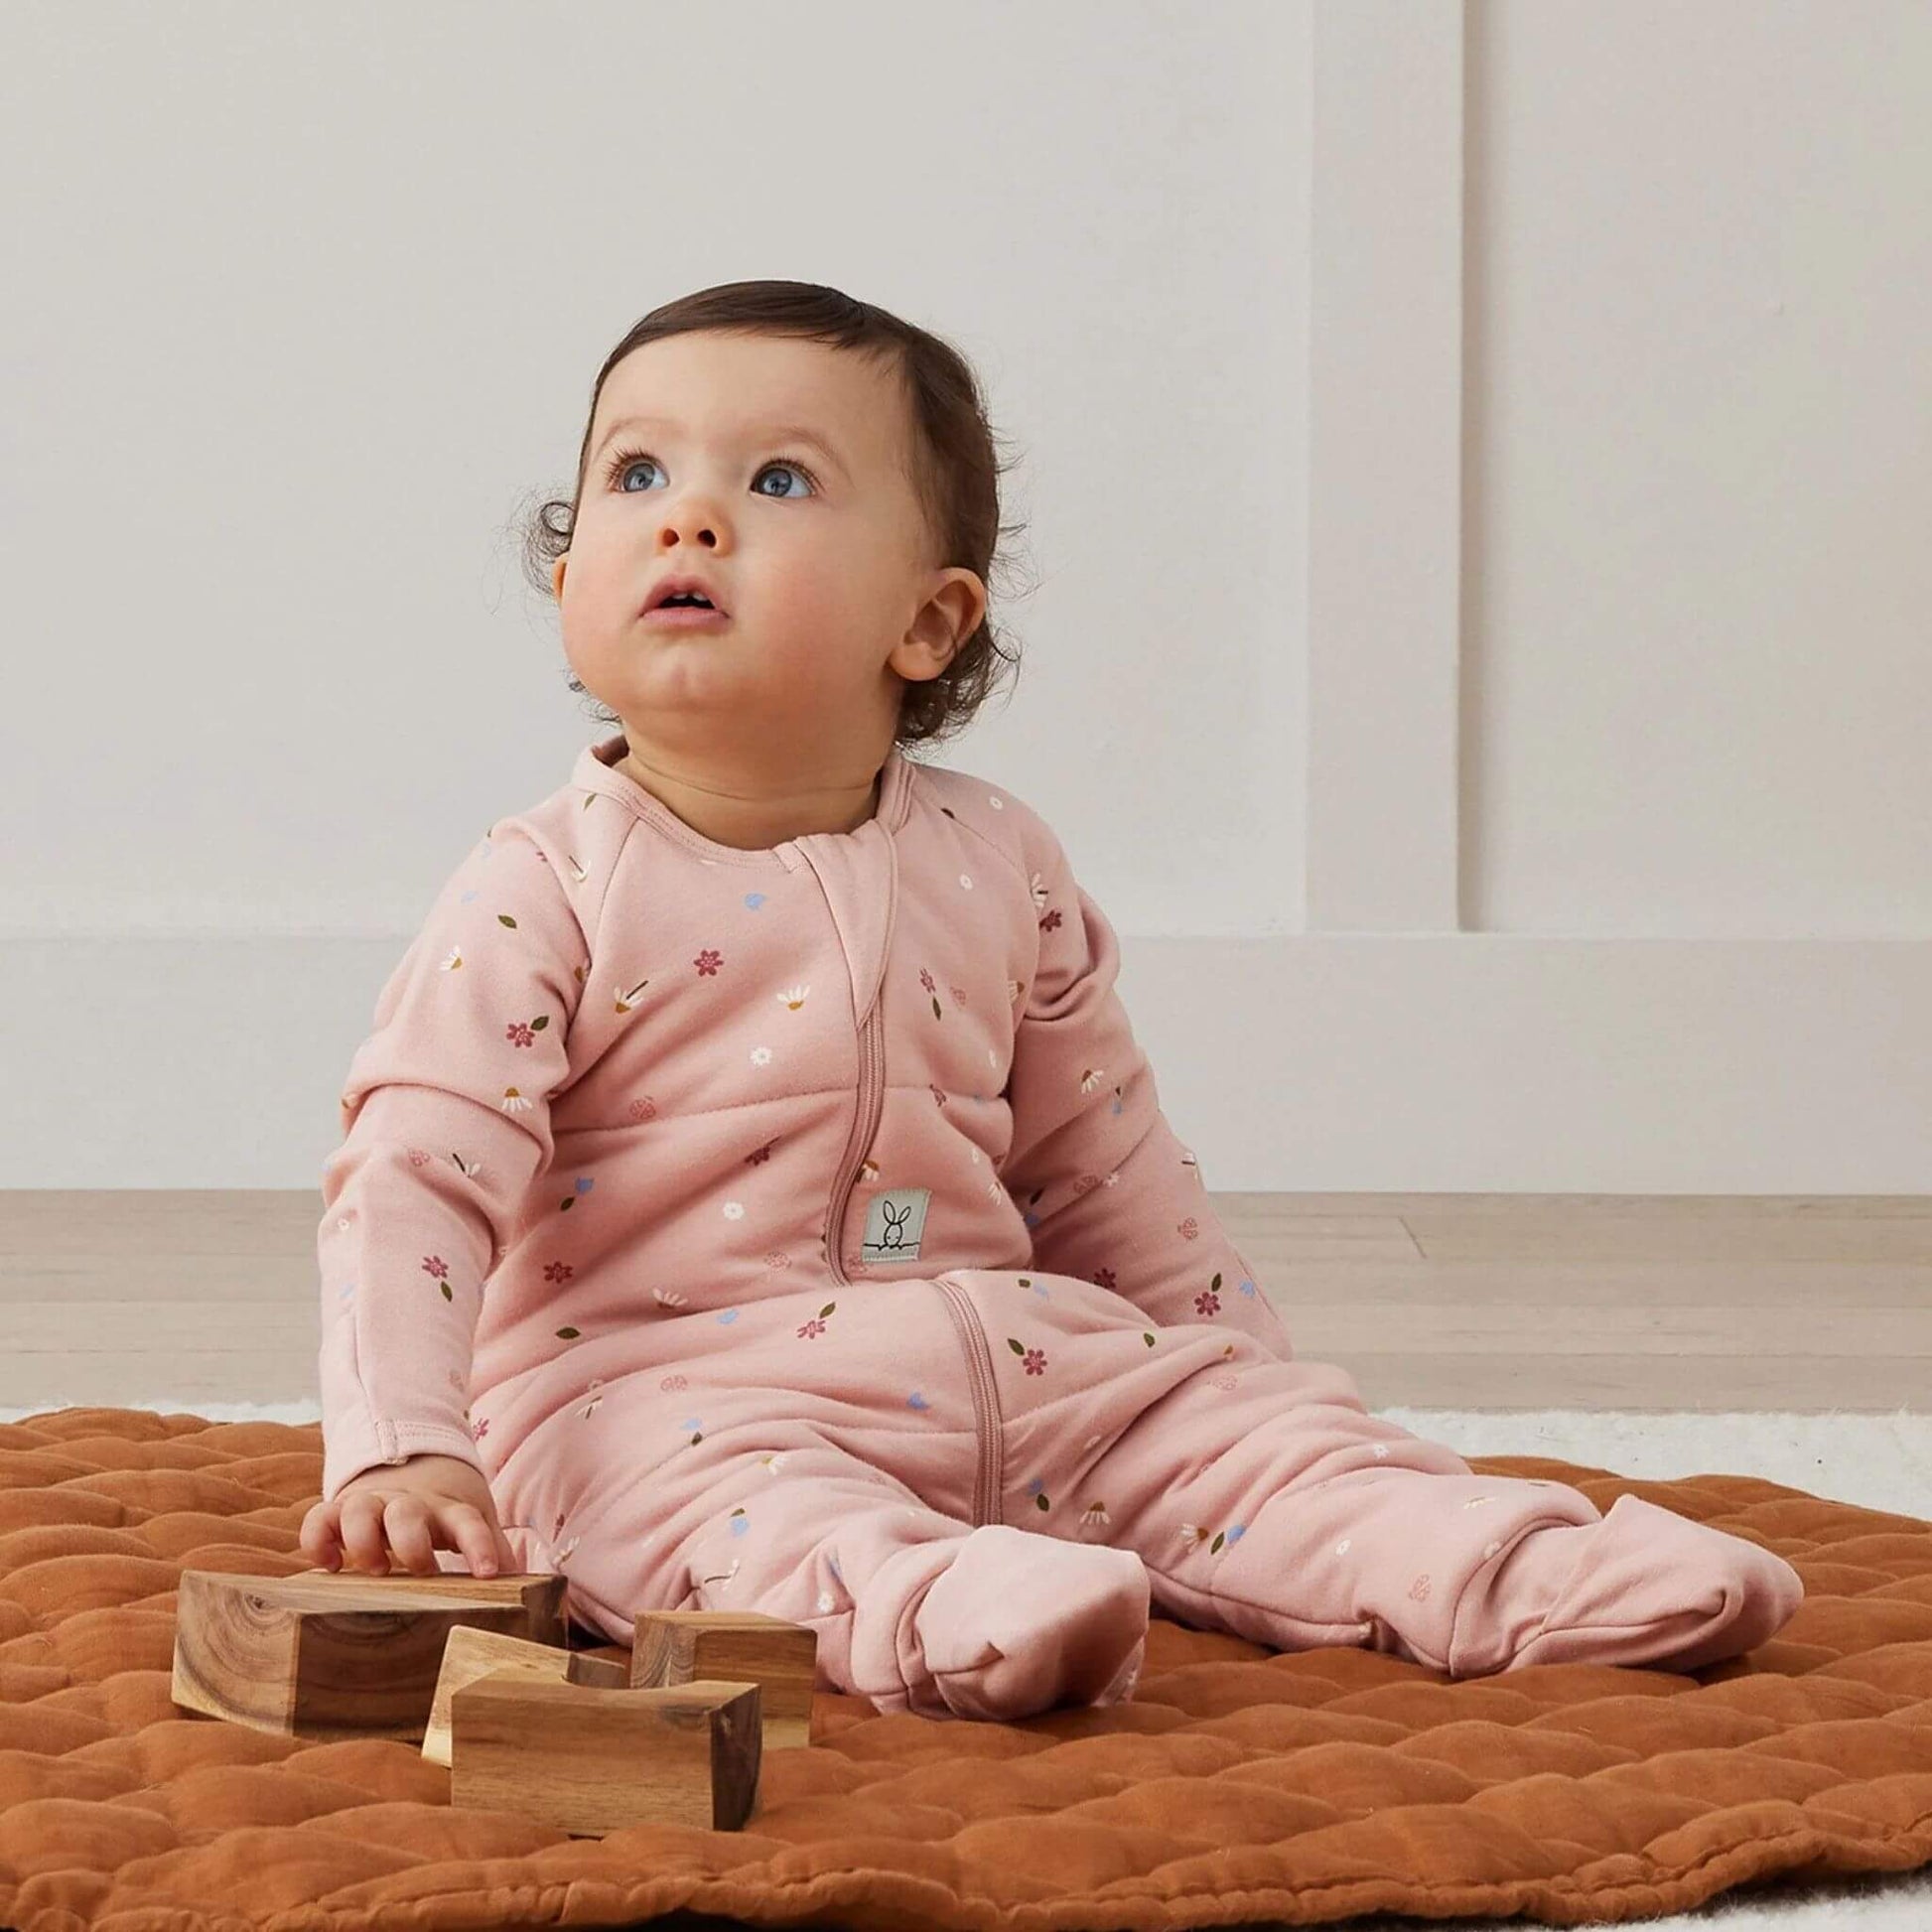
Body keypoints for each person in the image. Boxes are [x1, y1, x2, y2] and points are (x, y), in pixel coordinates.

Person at [298, 280, 1804, 1721]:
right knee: (709, 1516)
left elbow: (1105, 1162)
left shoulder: (994, 857)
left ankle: (1511, 1570)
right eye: (634, 472)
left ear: (929, 622)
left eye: (778, 480)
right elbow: (414, 1182)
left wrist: (1241, 1385)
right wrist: (403, 1448)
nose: (688, 513)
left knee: (1252, 1447)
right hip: (662, 1391)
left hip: (1015, 1358)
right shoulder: (540, 884)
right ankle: (928, 1605)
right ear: (570, 583)